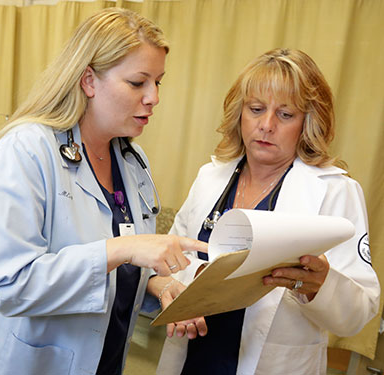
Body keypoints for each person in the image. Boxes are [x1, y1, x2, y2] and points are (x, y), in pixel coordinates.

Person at [0, 8, 206, 375]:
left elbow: (116, 271)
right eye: (138, 82)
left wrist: (157, 286)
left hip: (102, 359)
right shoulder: (27, 149)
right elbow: (11, 285)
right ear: (88, 81)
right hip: (19, 362)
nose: (153, 97)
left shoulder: (131, 160)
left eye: (158, 82)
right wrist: (124, 248)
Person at [154, 48, 380, 375]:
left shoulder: (335, 192)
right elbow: (169, 261)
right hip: (193, 358)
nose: (266, 125)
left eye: (286, 115)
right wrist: (194, 277)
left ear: (308, 122)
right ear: (239, 113)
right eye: (256, 109)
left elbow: (359, 313)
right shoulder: (211, 177)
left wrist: (320, 284)